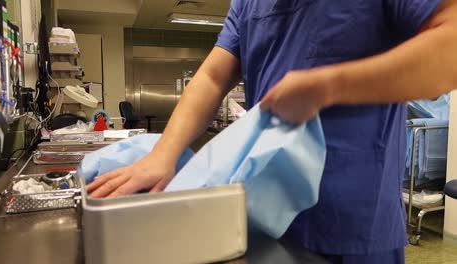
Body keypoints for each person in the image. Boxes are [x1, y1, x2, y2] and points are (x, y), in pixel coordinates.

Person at [87, 0, 457, 263]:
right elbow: (213, 76)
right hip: (263, 219)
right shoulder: (249, 4)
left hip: (353, 226)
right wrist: (163, 155)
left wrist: (327, 87)